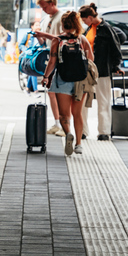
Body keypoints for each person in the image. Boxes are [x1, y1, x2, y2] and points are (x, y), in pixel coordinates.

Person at [38, 11, 94, 155]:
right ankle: (79, 144)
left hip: (62, 80)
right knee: (77, 113)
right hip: (80, 82)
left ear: (63, 24)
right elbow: (91, 59)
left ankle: (68, 132)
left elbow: (52, 61)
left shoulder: (58, 40)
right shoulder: (82, 40)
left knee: (64, 115)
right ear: (77, 24)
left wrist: (45, 77)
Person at [79, 3, 122, 141]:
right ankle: (83, 131)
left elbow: (116, 49)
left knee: (103, 100)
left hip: (103, 70)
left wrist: (115, 66)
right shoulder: (89, 29)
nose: (83, 22)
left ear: (90, 17)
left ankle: (104, 132)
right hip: (88, 70)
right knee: (83, 100)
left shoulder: (106, 29)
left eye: (84, 19)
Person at [36, 0, 65, 137]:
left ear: (52, 3)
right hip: (49, 57)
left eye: (45, 6)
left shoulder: (62, 18)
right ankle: (57, 122)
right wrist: (39, 37)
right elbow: (44, 42)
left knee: (59, 93)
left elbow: (64, 38)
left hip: (60, 58)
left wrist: (44, 36)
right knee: (51, 92)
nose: (43, 10)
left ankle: (63, 125)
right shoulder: (45, 18)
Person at [19, 19, 41, 93]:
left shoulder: (42, 35)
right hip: (30, 57)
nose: (38, 26)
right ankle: (35, 91)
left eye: (39, 25)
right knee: (33, 70)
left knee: (33, 71)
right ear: (32, 27)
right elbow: (20, 45)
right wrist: (27, 50)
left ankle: (27, 88)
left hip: (38, 56)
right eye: (36, 25)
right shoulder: (28, 35)